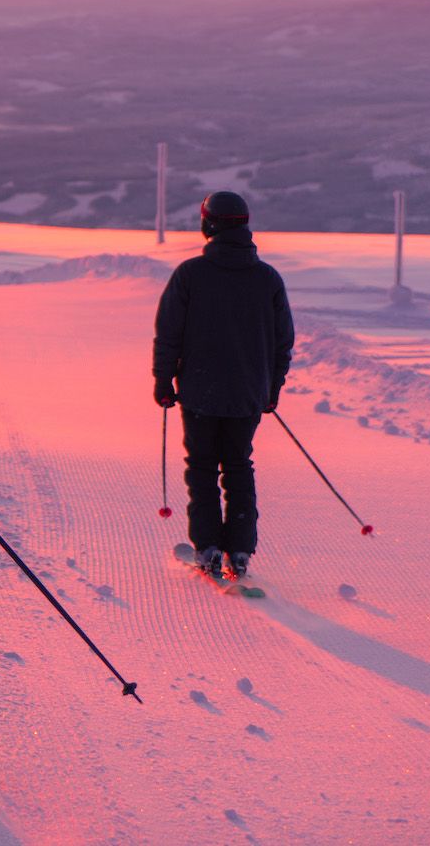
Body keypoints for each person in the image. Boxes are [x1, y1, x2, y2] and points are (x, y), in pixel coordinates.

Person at [153, 191, 295, 579]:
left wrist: (164, 382)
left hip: (199, 392)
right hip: (249, 395)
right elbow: (283, 343)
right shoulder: (267, 279)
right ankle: (241, 550)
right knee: (238, 466)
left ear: (208, 224)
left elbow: (169, 335)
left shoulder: (190, 275)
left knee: (201, 468)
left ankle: (209, 548)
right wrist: (271, 390)